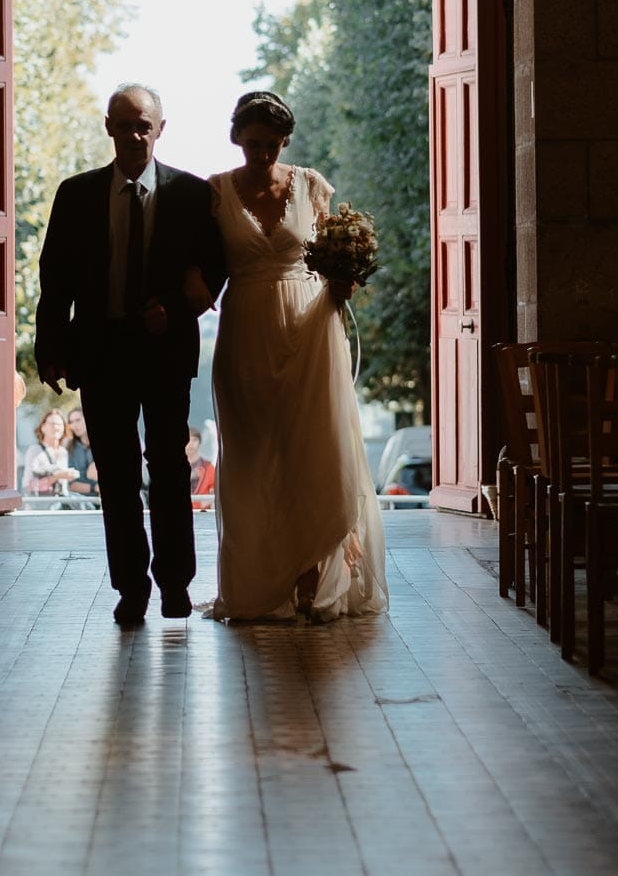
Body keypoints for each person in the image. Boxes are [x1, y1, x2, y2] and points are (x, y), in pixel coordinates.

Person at [193, 90, 388, 622]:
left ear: (285, 142)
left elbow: (329, 254)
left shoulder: (311, 185)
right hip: (247, 330)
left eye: (273, 145)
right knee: (253, 455)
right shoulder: (214, 193)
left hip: (310, 326)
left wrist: (343, 281)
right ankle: (260, 581)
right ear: (237, 137)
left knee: (312, 451)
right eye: (253, 144)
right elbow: (203, 265)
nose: (262, 155)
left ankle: (311, 579)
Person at [34, 84, 224, 627]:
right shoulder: (76, 195)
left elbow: (214, 268)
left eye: (143, 125)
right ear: (108, 128)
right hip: (101, 350)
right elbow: (55, 280)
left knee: (167, 467)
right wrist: (51, 349)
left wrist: (179, 309)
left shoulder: (190, 194)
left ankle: (175, 584)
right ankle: (131, 587)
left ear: (161, 128)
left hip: (164, 350)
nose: (134, 134)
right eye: (123, 125)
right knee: (115, 475)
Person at [23, 408, 72, 498]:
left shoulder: (63, 452)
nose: (56, 427)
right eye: (52, 424)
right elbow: (28, 485)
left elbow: (64, 488)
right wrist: (56, 476)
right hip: (40, 506)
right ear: (43, 427)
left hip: (60, 504)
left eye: (60, 424)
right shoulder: (35, 450)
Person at [65, 405, 100, 501]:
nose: (74, 425)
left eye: (78, 420)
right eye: (71, 422)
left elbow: (93, 473)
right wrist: (94, 487)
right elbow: (72, 485)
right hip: (79, 501)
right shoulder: (69, 448)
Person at [186, 427, 215, 510]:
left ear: (199, 442)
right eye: (188, 440)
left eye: (194, 440)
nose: (191, 444)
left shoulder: (208, 468)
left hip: (202, 514)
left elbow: (214, 492)